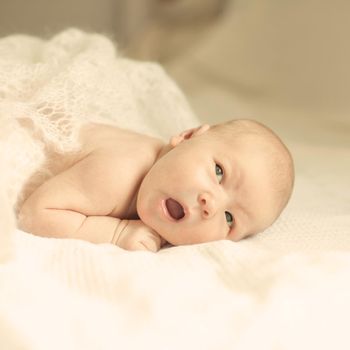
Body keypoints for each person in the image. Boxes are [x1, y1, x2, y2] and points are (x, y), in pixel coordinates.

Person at [18, 119, 294, 252]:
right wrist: (117, 232)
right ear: (186, 137)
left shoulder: (161, 177)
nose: (212, 204)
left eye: (230, 218)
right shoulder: (118, 172)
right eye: (219, 172)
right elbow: (37, 213)